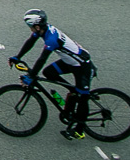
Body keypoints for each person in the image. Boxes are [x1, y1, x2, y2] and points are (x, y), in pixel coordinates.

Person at [9, 8, 94, 140]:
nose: (30, 29)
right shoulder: (43, 30)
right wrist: (17, 57)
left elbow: (42, 59)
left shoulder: (51, 38)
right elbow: (30, 42)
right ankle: (73, 91)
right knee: (48, 72)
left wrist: (31, 76)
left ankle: (79, 130)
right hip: (70, 62)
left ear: (37, 26)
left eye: (30, 27)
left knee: (83, 98)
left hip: (82, 65)